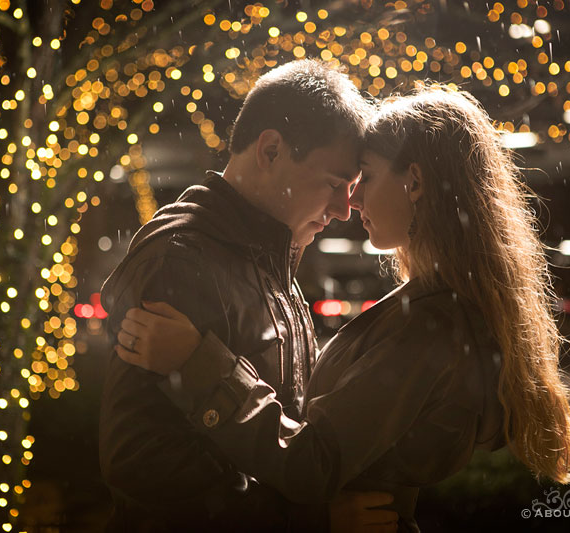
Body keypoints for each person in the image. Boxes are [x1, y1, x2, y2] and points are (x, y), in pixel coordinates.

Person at [115, 84, 570, 532]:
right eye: (342, 181)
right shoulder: (434, 307)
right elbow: (142, 457)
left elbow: (311, 462)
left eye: (364, 177)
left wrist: (199, 362)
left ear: (415, 182)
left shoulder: (433, 323)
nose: (351, 201)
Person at [99, 59, 397, 531]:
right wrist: (305, 521)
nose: (344, 210)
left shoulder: (266, 255)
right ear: (271, 149)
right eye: (335, 184)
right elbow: (142, 462)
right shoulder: (182, 260)